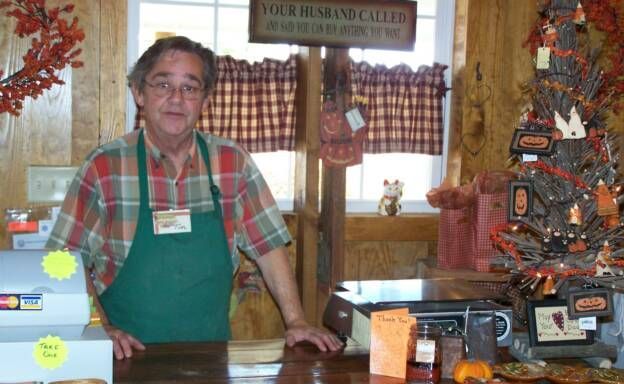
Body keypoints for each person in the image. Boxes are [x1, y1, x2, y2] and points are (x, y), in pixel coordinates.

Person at [46, 36, 343, 359]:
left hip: (210, 360)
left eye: (189, 88)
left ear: (205, 100)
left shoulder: (232, 163)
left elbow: (270, 247)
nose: (176, 98)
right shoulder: (104, 167)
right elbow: (63, 260)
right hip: (125, 359)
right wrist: (96, 326)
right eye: (162, 84)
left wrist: (296, 319)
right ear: (138, 93)